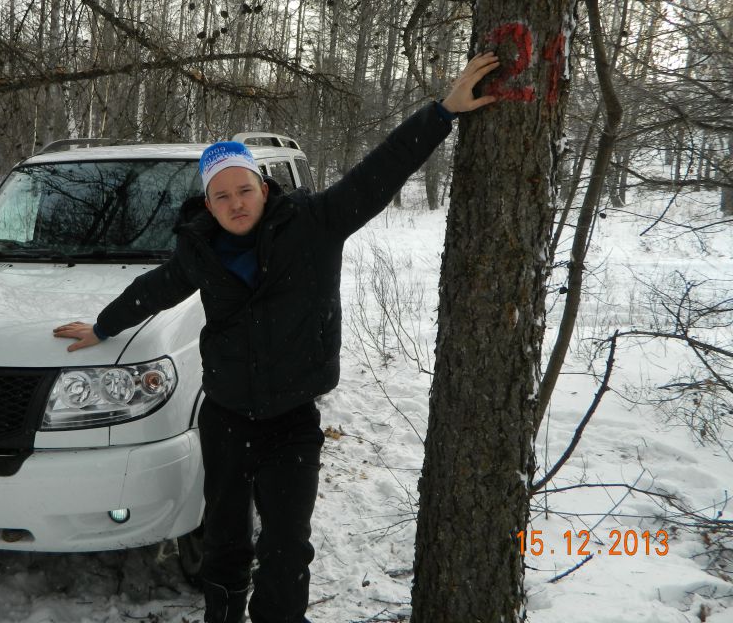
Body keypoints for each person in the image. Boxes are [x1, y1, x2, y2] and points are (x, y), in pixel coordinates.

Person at [54, 52, 500, 623]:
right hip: (226, 417)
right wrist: (103, 326)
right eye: (221, 196)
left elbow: (379, 172)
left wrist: (441, 114)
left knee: (287, 548)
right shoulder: (199, 250)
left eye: (243, 190)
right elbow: (156, 288)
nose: (234, 203)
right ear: (208, 203)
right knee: (223, 541)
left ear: (263, 187)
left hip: (291, 420)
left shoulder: (315, 224)